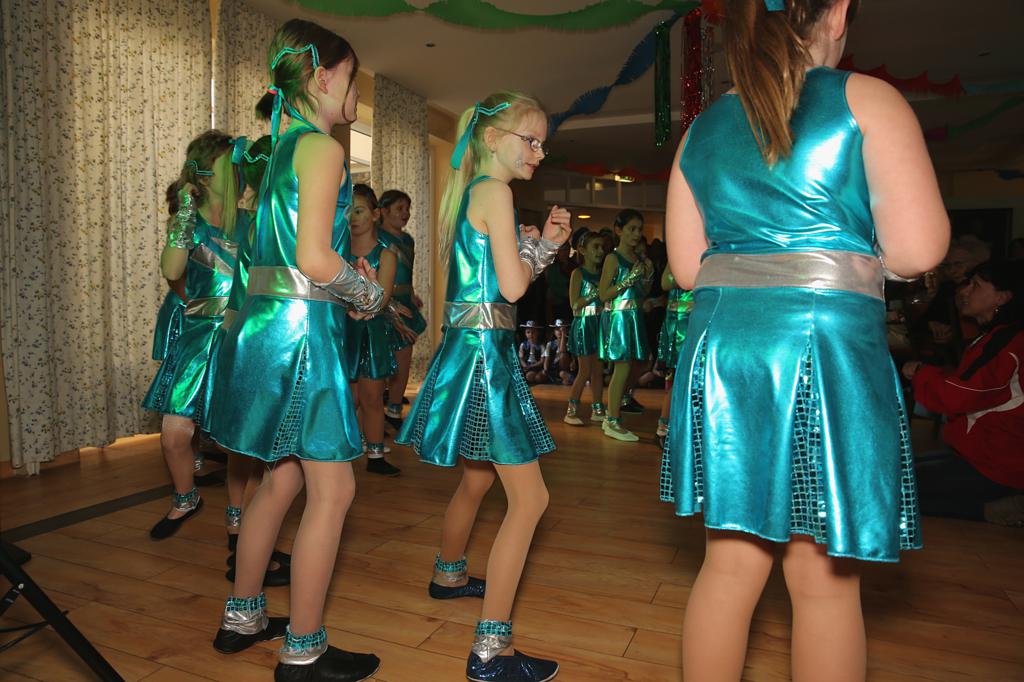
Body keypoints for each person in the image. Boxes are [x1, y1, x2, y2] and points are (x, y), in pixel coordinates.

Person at [660, 1, 949, 680]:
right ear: (839, 12)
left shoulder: (703, 125)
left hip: (727, 351)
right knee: (824, 584)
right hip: (823, 350)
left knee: (728, 569)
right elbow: (919, 249)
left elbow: (686, 269)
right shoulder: (867, 99)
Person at [207, 19, 384, 681]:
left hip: (264, 327)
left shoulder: (274, 148)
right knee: (333, 490)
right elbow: (313, 258)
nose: (357, 98)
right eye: (353, 81)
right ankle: (303, 649)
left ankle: (242, 617)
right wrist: (367, 294)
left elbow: (279, 256)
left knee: (280, 478)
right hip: (304, 332)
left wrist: (340, 285)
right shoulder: (321, 148)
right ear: (322, 77)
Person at [396, 91, 571, 682]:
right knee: (531, 500)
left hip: (471, 347)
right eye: (531, 140)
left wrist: (530, 247)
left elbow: (498, 282)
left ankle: (449, 574)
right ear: (494, 139)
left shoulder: (475, 191)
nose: (539, 153)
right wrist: (545, 247)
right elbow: (515, 288)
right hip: (484, 357)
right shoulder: (495, 192)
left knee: (477, 477)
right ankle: (491, 651)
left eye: (543, 143)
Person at [142, 130, 244, 540]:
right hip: (199, 337)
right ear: (203, 174)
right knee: (174, 435)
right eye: (227, 164)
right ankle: (186, 498)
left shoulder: (252, 222)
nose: (237, 170)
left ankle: (239, 517)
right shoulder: (189, 222)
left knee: (237, 439)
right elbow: (171, 270)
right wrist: (185, 210)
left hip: (242, 336)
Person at [905, 261, 1024, 525]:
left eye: (976, 285)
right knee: (896, 477)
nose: (965, 291)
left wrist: (921, 372)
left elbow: (959, 395)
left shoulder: (1007, 342)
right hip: (982, 456)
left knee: (893, 488)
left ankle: (992, 509)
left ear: (1002, 298)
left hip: (997, 464)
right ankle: (992, 506)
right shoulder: (996, 337)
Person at [347, 184, 402, 476]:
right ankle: (339, 452)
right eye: (348, 211)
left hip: (371, 333)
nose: (352, 217)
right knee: (346, 397)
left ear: (375, 214)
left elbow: (382, 298)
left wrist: (363, 306)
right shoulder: (335, 252)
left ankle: (376, 456)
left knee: (371, 396)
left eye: (359, 210)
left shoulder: (387, 256)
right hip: (341, 332)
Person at [599, 209, 653, 441]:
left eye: (639, 229)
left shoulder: (636, 260)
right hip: (618, 318)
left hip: (632, 316)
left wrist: (647, 276)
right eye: (631, 229)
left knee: (634, 364)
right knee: (621, 368)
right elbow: (603, 294)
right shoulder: (613, 258)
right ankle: (612, 420)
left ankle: (616, 409)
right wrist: (629, 278)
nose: (637, 234)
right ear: (618, 230)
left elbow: (640, 293)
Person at [378, 189, 428, 430]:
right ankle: (375, 412)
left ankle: (394, 411)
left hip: (404, 305)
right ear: (383, 211)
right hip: (381, 305)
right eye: (399, 208)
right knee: (378, 361)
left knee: (404, 359)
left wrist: (411, 294)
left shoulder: (408, 240)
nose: (405, 213)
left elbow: (406, 273)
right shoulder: (376, 236)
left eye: (408, 208)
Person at [564, 230, 606, 425]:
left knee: (598, 370)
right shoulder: (578, 273)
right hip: (583, 324)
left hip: (599, 323)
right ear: (582, 250)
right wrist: (595, 293)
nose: (600, 251)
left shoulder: (603, 273)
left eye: (602, 247)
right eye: (595, 247)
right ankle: (571, 412)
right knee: (585, 370)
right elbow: (574, 304)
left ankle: (597, 409)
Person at [655, 266, 694, 443]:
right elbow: (665, 282)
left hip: (698, 320)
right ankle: (663, 428)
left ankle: (681, 426)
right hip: (681, 325)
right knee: (678, 377)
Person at [543, 320, 574, 385]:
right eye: (557, 329)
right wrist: (545, 369)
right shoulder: (550, 344)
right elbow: (547, 358)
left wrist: (563, 335)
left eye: (562, 329)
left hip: (566, 368)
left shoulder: (569, 343)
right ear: (554, 331)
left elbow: (564, 351)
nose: (559, 331)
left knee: (563, 355)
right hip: (554, 369)